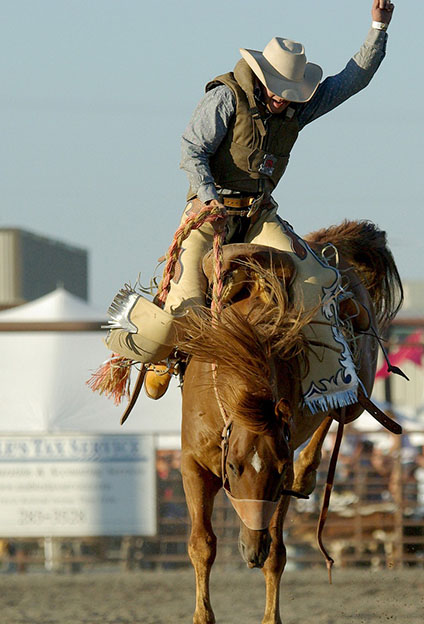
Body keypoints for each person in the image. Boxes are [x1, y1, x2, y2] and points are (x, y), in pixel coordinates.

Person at [104, 1, 395, 415]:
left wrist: (377, 29)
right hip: (209, 216)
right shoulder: (225, 98)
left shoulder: (298, 105)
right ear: (261, 77)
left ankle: (323, 379)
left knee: (315, 276)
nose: (282, 99)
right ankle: (163, 356)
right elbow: (192, 150)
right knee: (184, 299)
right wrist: (208, 199)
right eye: (277, 89)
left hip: (259, 215)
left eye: (290, 93)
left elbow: (353, 80)